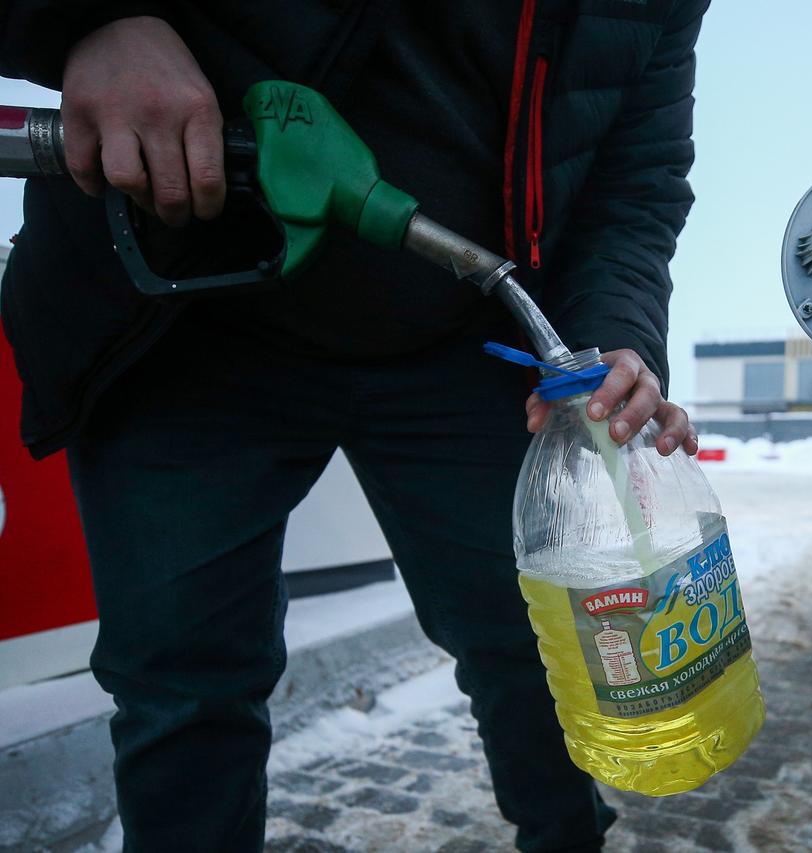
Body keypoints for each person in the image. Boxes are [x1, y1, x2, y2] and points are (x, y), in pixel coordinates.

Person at [0, 2, 709, 850]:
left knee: (534, 643)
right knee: (183, 683)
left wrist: (614, 329)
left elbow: (639, 180)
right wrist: (93, 21)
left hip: (459, 336)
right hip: (184, 309)